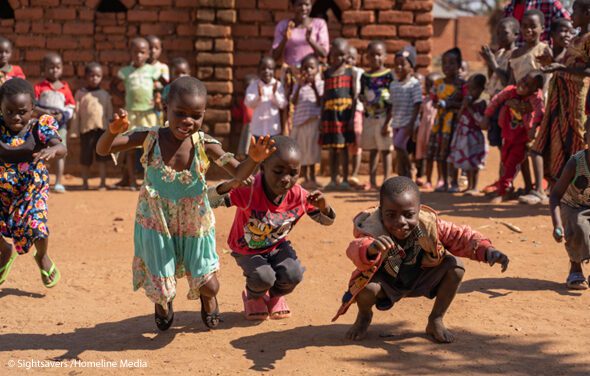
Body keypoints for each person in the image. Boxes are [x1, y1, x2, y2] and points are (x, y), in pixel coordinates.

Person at [96, 76, 277, 331]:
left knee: (210, 284)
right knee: (163, 287)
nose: (187, 121)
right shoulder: (150, 137)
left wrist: (253, 159)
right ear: (166, 108)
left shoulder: (205, 144)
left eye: (196, 115)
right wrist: (112, 131)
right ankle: (163, 303)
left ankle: (208, 298)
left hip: (195, 222)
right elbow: (104, 149)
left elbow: (238, 174)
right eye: (180, 113)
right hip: (157, 220)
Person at [332, 176, 509, 342]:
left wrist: (487, 250)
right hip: (386, 283)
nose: (401, 221)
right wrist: (371, 248)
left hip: (421, 277)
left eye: (408, 215)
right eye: (391, 215)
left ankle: (435, 319)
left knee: (455, 267)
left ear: (419, 210)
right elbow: (354, 248)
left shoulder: (429, 224)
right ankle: (364, 315)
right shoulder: (372, 228)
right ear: (381, 211)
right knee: (367, 290)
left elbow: (460, 236)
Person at [216, 136, 335, 320]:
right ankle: (254, 296)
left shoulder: (299, 195)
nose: (286, 179)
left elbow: (326, 221)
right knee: (263, 278)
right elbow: (213, 200)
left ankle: (275, 296)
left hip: (276, 246)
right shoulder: (249, 190)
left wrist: (324, 208)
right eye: (278, 171)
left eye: (293, 173)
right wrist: (233, 183)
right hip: (246, 249)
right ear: (263, 169)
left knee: (293, 275)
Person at [521, 0, 590, 205]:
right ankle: (565, 191)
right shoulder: (576, 39)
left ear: (587, 12)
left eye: (575, 11)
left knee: (579, 138)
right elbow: (567, 65)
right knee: (559, 141)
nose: (571, 14)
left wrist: (561, 68)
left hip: (577, 97)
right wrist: (553, 66)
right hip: (561, 98)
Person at [0, 78, 66, 288]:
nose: (15, 117)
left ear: (32, 108)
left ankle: (43, 256)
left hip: (31, 186)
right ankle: (5, 251)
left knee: (38, 226)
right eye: (9, 111)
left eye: (21, 111)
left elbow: (62, 148)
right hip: (3, 187)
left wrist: (52, 150)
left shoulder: (39, 127)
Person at [481, 72, 545, 203]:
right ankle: (511, 189)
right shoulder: (511, 91)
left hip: (522, 138)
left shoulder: (535, 98)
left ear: (535, 89)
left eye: (528, 85)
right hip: (508, 134)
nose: (522, 85)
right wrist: (487, 116)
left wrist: (533, 128)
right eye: (523, 80)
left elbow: (540, 112)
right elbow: (495, 100)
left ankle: (504, 192)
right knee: (505, 161)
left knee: (512, 163)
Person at [110, 37, 165, 190]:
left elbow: (165, 85)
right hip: (131, 114)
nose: (139, 56)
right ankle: (132, 180)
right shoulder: (125, 71)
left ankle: (149, 181)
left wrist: (158, 97)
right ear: (130, 53)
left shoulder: (153, 70)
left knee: (152, 147)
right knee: (129, 149)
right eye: (135, 52)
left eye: (142, 52)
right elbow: (112, 85)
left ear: (148, 54)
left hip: (149, 114)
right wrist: (122, 98)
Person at [550, 123, 590, 290]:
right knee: (579, 227)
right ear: (586, 138)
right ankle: (575, 268)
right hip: (572, 205)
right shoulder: (575, 163)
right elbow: (555, 195)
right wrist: (557, 225)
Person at [480, 17, 520, 170]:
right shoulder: (500, 52)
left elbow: (507, 82)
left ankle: (505, 180)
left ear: (516, 34)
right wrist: (489, 62)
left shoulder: (515, 54)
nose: (499, 37)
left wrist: (493, 63)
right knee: (497, 141)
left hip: (505, 104)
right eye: (497, 34)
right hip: (494, 101)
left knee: (506, 143)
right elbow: (493, 77)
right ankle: (501, 180)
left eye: (504, 33)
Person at [34, 52, 75, 194]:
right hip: (43, 126)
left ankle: (58, 182)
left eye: (58, 67)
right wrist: (45, 113)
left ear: (62, 68)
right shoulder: (40, 87)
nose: (54, 70)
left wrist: (63, 116)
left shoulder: (65, 88)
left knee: (60, 152)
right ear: (43, 69)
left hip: (60, 125)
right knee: (42, 152)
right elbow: (33, 106)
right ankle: (41, 181)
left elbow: (71, 106)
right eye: (50, 67)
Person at [426, 48, 465, 193]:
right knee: (440, 154)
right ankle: (443, 181)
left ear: (459, 65)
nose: (447, 66)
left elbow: (464, 104)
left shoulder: (462, 85)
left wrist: (449, 104)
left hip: (455, 124)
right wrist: (439, 104)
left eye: (451, 63)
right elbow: (434, 101)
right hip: (440, 124)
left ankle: (454, 181)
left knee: (452, 154)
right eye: (444, 63)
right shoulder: (438, 83)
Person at [272, 0, 329, 97]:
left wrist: (310, 40)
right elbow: (275, 56)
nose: (303, 8)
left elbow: (324, 53)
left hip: (312, 75)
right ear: (292, 6)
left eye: (307, 4)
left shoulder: (319, 24)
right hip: (291, 76)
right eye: (299, 5)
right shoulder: (283, 26)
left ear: (311, 5)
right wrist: (285, 38)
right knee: (290, 108)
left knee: (312, 106)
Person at [320, 38, 356, 190]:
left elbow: (354, 96)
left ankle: (345, 180)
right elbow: (324, 97)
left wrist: (352, 117)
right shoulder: (327, 73)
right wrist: (322, 118)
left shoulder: (350, 72)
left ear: (347, 56)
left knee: (343, 149)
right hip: (330, 115)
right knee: (332, 148)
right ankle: (333, 179)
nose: (338, 58)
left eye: (342, 55)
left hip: (344, 115)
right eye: (335, 55)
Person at [359, 41, 394, 189]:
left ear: (385, 56)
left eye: (379, 54)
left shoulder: (389, 75)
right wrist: (362, 98)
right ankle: (372, 180)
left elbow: (393, 99)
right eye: (372, 55)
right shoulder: (365, 76)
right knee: (372, 149)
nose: (375, 58)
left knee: (385, 149)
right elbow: (361, 93)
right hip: (369, 117)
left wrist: (388, 122)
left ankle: (387, 180)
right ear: (367, 57)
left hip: (384, 117)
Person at [72, 62, 112, 191]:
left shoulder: (104, 94)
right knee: (85, 157)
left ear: (101, 77)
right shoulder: (80, 94)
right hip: (86, 130)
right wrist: (74, 131)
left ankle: (102, 182)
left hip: (102, 130)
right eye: (91, 75)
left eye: (98, 76)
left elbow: (109, 113)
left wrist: (111, 131)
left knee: (102, 157)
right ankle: (85, 183)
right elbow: (76, 113)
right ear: (86, 77)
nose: (95, 78)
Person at [448, 74, 488, 195]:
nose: (471, 92)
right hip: (462, 134)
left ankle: (474, 186)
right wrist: (463, 106)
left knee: (474, 162)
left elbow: (479, 120)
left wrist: (469, 107)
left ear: (481, 89)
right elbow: (459, 116)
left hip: (474, 136)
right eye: (469, 89)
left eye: (474, 89)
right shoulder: (466, 101)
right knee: (467, 161)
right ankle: (468, 186)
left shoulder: (481, 103)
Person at [290, 54, 324, 189]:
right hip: (300, 123)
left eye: (311, 68)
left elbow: (320, 101)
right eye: (305, 68)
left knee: (313, 151)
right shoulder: (299, 86)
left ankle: (313, 178)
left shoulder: (320, 84)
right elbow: (293, 101)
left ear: (317, 70)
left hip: (313, 122)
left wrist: (314, 86)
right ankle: (306, 178)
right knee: (303, 151)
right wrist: (298, 85)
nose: (308, 71)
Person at [389, 46, 422, 179]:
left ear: (411, 66)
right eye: (396, 64)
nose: (399, 67)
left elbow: (417, 104)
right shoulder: (393, 84)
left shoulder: (414, 84)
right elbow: (391, 105)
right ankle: (402, 174)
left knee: (398, 145)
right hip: (396, 122)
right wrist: (387, 122)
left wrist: (412, 123)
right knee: (399, 148)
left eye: (403, 64)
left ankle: (408, 170)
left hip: (408, 122)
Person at [245, 56, 287, 139]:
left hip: (273, 129)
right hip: (257, 129)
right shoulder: (254, 85)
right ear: (258, 71)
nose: (267, 71)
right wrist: (258, 96)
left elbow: (283, 105)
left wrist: (275, 94)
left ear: (274, 71)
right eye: (263, 69)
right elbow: (248, 103)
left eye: (270, 69)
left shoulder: (278, 85)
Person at [415, 73, 440, 188]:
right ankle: (427, 179)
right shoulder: (425, 100)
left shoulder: (440, 102)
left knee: (439, 157)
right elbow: (420, 116)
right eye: (428, 85)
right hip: (423, 132)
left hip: (436, 133)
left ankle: (441, 179)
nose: (431, 88)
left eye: (434, 85)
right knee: (426, 156)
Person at [503, 0, 570, 43]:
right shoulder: (509, 8)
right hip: (516, 59)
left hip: (542, 59)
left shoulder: (550, 3)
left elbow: (570, 25)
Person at [347, 45, 365, 188]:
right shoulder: (340, 74)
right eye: (347, 57)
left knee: (357, 141)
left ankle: (355, 173)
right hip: (344, 111)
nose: (349, 60)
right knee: (346, 143)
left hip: (358, 111)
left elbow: (359, 93)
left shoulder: (360, 73)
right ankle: (346, 175)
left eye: (352, 57)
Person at [146, 35, 170, 123]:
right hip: (139, 107)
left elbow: (165, 86)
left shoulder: (163, 68)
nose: (153, 51)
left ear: (161, 50)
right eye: (150, 48)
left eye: (156, 48)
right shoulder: (138, 68)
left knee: (154, 132)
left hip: (157, 106)